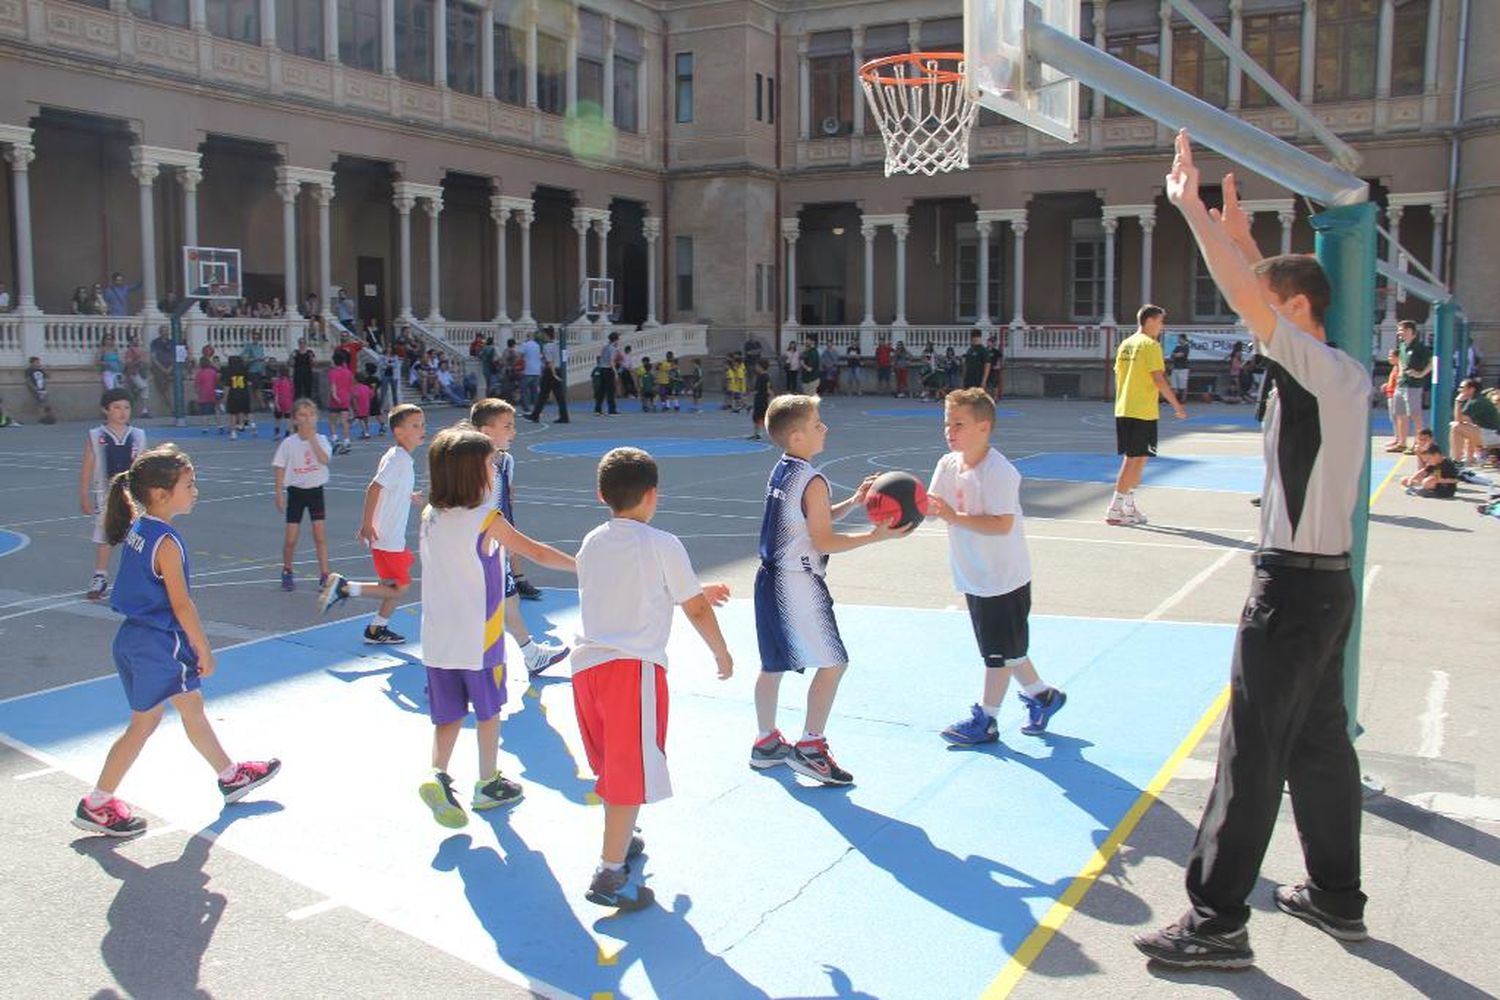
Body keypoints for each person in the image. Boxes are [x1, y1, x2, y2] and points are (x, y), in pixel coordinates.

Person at [1133, 131, 1372, 970]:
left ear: (1297, 314)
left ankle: (1216, 922)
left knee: (1253, 752)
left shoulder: (1310, 366)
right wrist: (1242, 240)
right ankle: (1336, 896)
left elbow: (1258, 297)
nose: (1250, 322)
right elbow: (1269, 286)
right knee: (1318, 744)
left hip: (1293, 591)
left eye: (1265, 312)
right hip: (1327, 586)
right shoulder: (1332, 371)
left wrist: (1191, 209)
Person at [72, 445, 280, 836]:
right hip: (160, 644)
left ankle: (230, 775)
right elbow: (182, 605)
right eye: (189, 484)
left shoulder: (139, 527)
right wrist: (203, 648)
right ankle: (97, 802)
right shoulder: (166, 542)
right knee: (144, 725)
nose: (195, 489)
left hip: (134, 639)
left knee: (191, 708)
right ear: (161, 494)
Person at [570, 446, 733, 910]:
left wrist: (697, 588)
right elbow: (694, 608)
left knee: (614, 764)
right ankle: (609, 873)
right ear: (652, 495)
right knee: (628, 770)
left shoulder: (592, 541)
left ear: (603, 495)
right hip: (632, 669)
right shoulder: (662, 543)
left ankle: (622, 840)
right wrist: (720, 650)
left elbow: (634, 587)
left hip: (588, 669)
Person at [415, 427, 576, 828]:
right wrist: (582, 564)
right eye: (489, 463)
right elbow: (535, 551)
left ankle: (438, 773)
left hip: (437, 637)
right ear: (474, 474)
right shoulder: (486, 520)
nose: (495, 468)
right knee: (489, 712)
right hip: (478, 638)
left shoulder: (430, 516)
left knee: (448, 714)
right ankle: (487, 781)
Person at [750, 395, 907, 786]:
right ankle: (811, 748)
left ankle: (766, 741)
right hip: (796, 583)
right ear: (798, 435)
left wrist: (852, 503)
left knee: (773, 666)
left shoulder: (784, 469)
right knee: (834, 662)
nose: (825, 428)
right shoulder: (813, 480)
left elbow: (808, 521)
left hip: (768, 578)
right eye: (818, 423)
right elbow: (822, 540)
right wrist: (874, 537)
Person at [929, 388, 1067, 746]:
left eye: (959, 423)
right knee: (1008, 649)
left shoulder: (999, 472)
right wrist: (895, 505)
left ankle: (987, 720)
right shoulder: (947, 465)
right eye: (947, 422)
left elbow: (1002, 524)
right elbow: (932, 506)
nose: (950, 430)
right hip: (973, 573)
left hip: (1003, 578)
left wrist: (951, 516)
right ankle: (1043, 697)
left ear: (984, 427)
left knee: (996, 655)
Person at [468, 399, 571, 677]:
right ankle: (452, 670)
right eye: (507, 426)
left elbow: (505, 500)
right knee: (477, 611)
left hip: (496, 545)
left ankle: (531, 654)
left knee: (508, 601)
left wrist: (506, 538)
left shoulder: (504, 461)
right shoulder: (475, 467)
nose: (513, 432)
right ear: (487, 431)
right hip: (480, 550)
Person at [317, 404, 427, 644]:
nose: (422, 429)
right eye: (415, 425)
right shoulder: (399, 459)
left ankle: (377, 629)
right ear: (399, 432)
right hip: (388, 537)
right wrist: (366, 524)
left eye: (422, 424)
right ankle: (345, 588)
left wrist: (410, 495)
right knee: (400, 588)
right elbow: (375, 487)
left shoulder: (399, 458)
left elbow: (390, 488)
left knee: (390, 586)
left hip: (387, 537)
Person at [1107, 304, 1187, 526]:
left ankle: (1129, 506)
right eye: (1160, 321)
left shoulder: (1126, 344)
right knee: (1133, 459)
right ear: (1150, 320)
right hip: (1141, 409)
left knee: (1140, 458)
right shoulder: (1150, 345)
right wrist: (1176, 405)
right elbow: (1158, 378)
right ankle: (1115, 507)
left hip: (1126, 408)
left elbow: (1119, 375)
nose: (1162, 326)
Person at [79, 389, 148, 600]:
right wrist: (83, 494)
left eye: (126, 407)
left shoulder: (138, 435)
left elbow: (144, 465)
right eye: (117, 407)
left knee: (135, 538)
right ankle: (99, 577)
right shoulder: (96, 435)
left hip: (133, 496)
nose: (122, 412)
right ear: (105, 410)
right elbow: (88, 466)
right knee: (105, 538)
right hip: (106, 495)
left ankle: (137, 578)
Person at [273, 399, 333, 592]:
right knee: (291, 538)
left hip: (316, 492)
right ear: (295, 419)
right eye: (302, 415)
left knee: (320, 535)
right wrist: (279, 493)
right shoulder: (288, 443)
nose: (307, 419)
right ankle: (287, 569)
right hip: (296, 493)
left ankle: (325, 575)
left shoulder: (322, 440)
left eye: (311, 415)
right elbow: (280, 468)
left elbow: (324, 459)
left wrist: (312, 439)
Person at [1391, 320, 1431, 453]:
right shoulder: (1402, 346)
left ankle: (1418, 444)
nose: (1399, 333)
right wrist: (1400, 375)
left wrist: (1420, 374)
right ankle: (1402, 443)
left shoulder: (1420, 347)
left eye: (1402, 330)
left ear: (1410, 331)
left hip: (1413, 385)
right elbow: (1402, 361)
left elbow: (1432, 362)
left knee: (1415, 415)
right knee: (1400, 414)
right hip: (1401, 384)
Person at [525, 328, 570, 424]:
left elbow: (550, 362)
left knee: (543, 394)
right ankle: (564, 416)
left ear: (547, 335)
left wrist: (553, 374)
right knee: (559, 396)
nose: (542, 337)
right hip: (558, 370)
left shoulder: (546, 347)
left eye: (543, 335)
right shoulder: (558, 345)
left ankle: (535, 415)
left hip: (551, 372)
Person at [1451, 378, 1500, 465]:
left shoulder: (1476, 401)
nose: (1459, 390)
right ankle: (1469, 460)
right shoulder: (1476, 399)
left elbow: (1458, 418)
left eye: (1462, 387)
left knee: (1456, 427)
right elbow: (1466, 420)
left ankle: (1457, 460)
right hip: (1489, 433)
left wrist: (1458, 401)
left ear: (1472, 389)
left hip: (1493, 436)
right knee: (1466, 426)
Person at [327, 349, 355, 454]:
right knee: (345, 421)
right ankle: (347, 441)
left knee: (332, 421)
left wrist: (334, 396)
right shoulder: (348, 372)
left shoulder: (332, 373)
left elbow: (333, 386)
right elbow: (351, 386)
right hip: (345, 398)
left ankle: (335, 439)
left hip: (336, 400)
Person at [224, 355, 252, 439]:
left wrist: (225, 397)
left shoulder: (228, 371)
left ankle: (233, 432)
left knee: (233, 413)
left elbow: (227, 386)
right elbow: (249, 383)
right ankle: (241, 424)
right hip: (243, 392)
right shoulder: (245, 371)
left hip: (233, 393)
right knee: (242, 410)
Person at [192, 356, 220, 431]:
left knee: (204, 412)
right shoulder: (213, 372)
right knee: (215, 409)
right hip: (212, 393)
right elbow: (217, 382)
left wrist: (197, 393)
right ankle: (219, 425)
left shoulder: (199, 373)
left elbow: (196, 384)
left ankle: (205, 427)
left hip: (203, 394)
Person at [25, 356, 56, 424]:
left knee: (46, 404)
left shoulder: (40, 370)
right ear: (32, 363)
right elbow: (28, 381)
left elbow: (48, 376)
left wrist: (48, 369)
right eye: (37, 362)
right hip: (36, 389)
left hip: (43, 389)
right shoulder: (29, 370)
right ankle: (43, 418)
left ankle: (48, 417)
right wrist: (34, 388)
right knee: (41, 404)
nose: (38, 363)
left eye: (38, 362)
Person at [749, 359, 773, 440]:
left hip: (760, 400)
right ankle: (756, 434)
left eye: (757, 366)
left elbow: (758, 390)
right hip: (763, 399)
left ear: (760, 367)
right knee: (758, 417)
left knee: (759, 417)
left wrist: (747, 395)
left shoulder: (762, 377)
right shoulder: (766, 376)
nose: (756, 367)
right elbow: (769, 389)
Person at [520, 331, 543, 412]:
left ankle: (526, 408)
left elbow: (521, 356)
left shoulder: (525, 345)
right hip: (537, 370)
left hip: (528, 370)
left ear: (527, 337)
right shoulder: (537, 346)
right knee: (535, 390)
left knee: (523, 389)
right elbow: (540, 356)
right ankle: (537, 408)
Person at [270, 365, 294, 440]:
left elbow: (276, 393)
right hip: (288, 401)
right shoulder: (290, 381)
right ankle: (288, 432)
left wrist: (276, 404)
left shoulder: (277, 382)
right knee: (288, 418)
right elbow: (292, 392)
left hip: (280, 401)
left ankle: (277, 433)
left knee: (278, 419)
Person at [292, 337, 316, 403]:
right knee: (297, 389)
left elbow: (314, 363)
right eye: (300, 343)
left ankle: (308, 403)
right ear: (298, 344)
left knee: (308, 389)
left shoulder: (309, 352)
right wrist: (292, 357)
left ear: (305, 344)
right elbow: (290, 363)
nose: (302, 344)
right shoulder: (295, 352)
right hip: (298, 372)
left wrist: (311, 357)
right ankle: (297, 403)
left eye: (303, 343)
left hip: (307, 372)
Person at [1169, 333, 1192, 399]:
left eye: (1179, 339)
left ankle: (1183, 399)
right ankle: (1174, 399)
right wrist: (1175, 355)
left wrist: (1176, 355)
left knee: (1183, 386)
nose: (1178, 340)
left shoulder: (1186, 347)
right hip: (1175, 367)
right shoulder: (1177, 347)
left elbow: (1181, 355)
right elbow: (1172, 355)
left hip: (1183, 368)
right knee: (1174, 385)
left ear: (1183, 339)